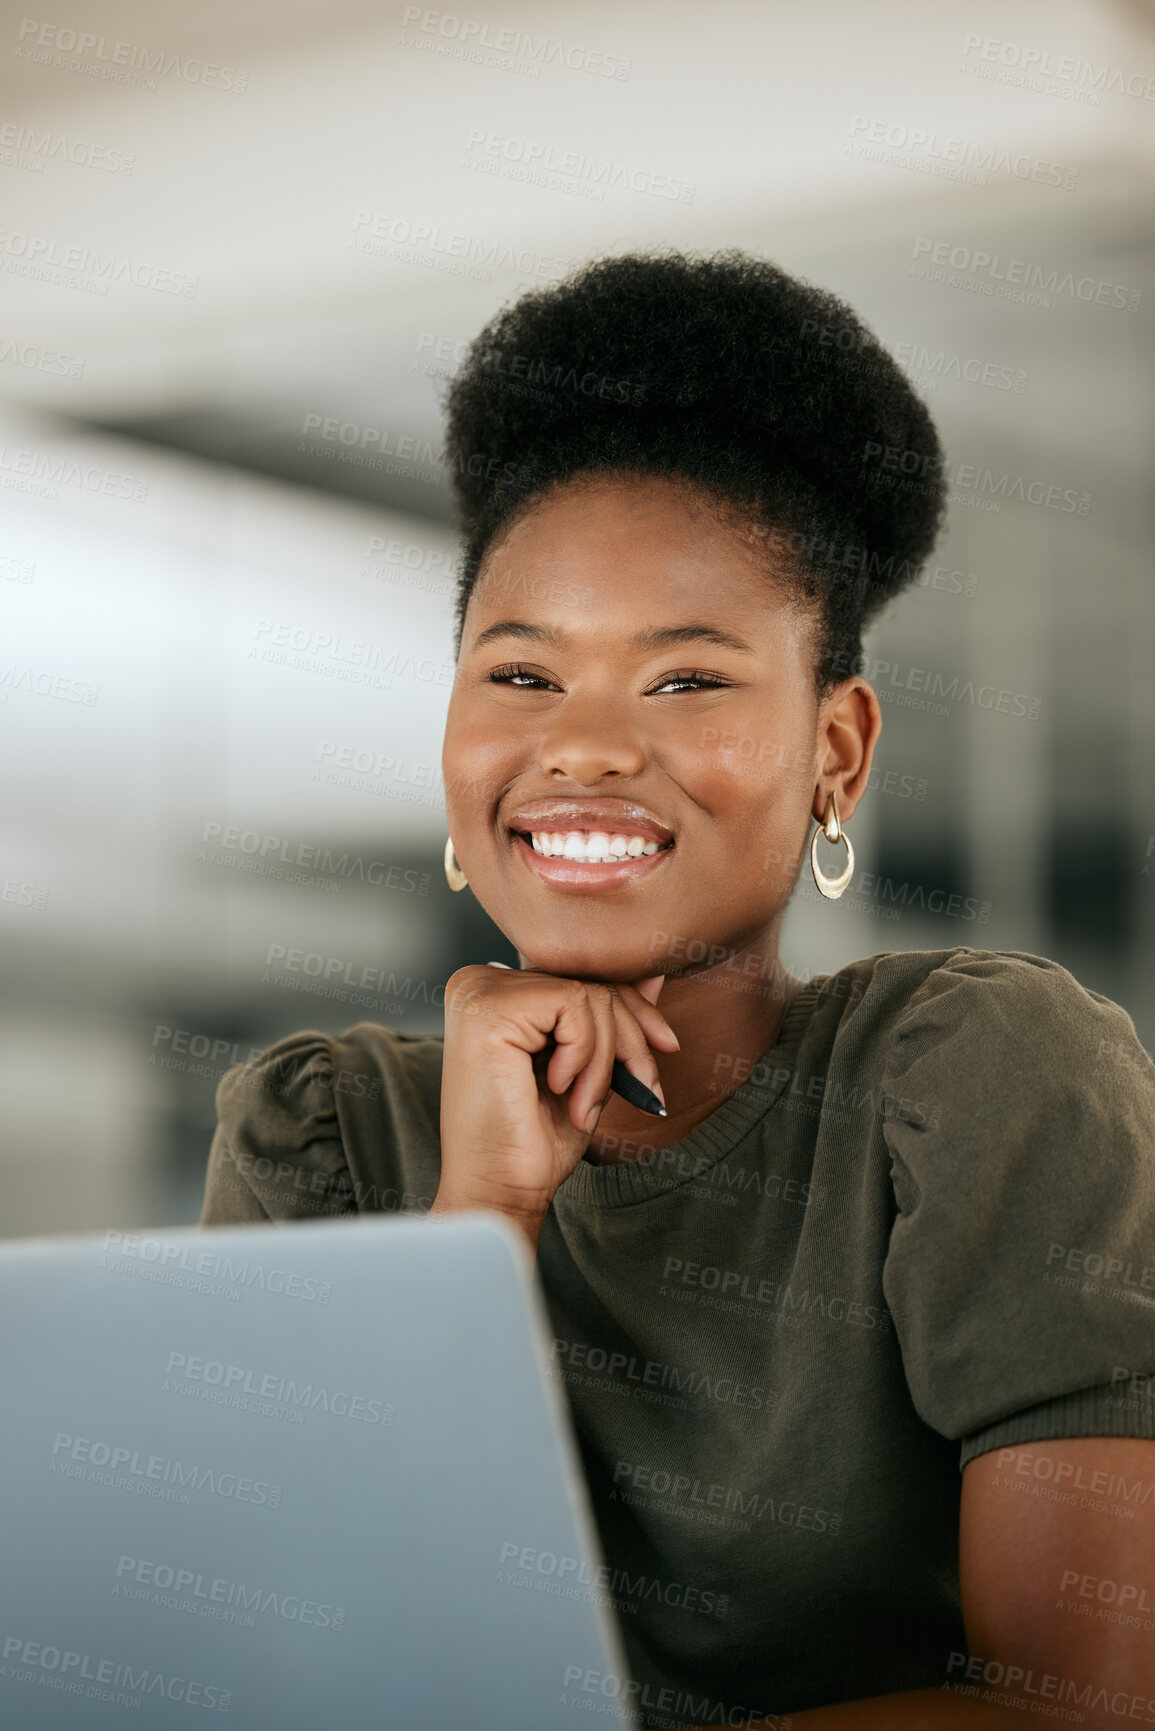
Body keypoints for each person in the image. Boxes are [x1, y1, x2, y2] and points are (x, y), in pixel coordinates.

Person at [200, 250, 1155, 1729]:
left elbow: (1079, 1712)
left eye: (685, 681)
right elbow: (278, 1679)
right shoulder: (322, 1134)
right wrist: (483, 1221)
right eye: (520, 676)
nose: (581, 749)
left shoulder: (976, 1078)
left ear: (836, 752)